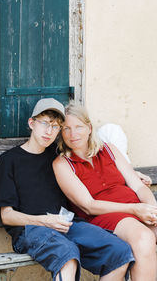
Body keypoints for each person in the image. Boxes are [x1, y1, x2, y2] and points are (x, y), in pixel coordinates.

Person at [0, 98, 134, 281]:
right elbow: (7, 216)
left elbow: (97, 167)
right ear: (31, 123)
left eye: (56, 126)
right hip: (32, 230)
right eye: (45, 123)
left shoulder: (59, 158)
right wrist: (45, 221)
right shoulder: (9, 160)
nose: (49, 131)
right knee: (67, 255)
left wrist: (134, 175)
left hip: (67, 225)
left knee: (120, 252)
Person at [53, 101, 157, 281]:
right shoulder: (63, 164)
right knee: (143, 238)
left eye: (78, 127)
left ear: (89, 128)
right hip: (105, 216)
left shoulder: (109, 149)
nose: (73, 134)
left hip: (135, 208)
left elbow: (138, 186)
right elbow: (89, 206)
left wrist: (151, 208)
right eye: (66, 128)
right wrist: (135, 209)